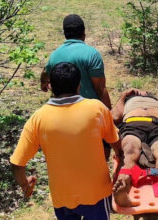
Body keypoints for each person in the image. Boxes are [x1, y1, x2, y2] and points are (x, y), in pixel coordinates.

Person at [10, 62, 121, 220]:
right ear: (79, 85)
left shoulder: (38, 118)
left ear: (51, 87)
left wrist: (25, 185)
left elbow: (16, 164)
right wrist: (120, 168)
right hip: (96, 193)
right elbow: (116, 144)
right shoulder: (97, 108)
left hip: (62, 197)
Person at [40, 14, 113, 160]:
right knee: (100, 153)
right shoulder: (92, 54)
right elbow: (100, 88)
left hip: (63, 115)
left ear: (65, 33)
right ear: (84, 33)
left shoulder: (55, 55)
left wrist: (43, 83)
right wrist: (109, 113)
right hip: (90, 115)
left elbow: (45, 72)